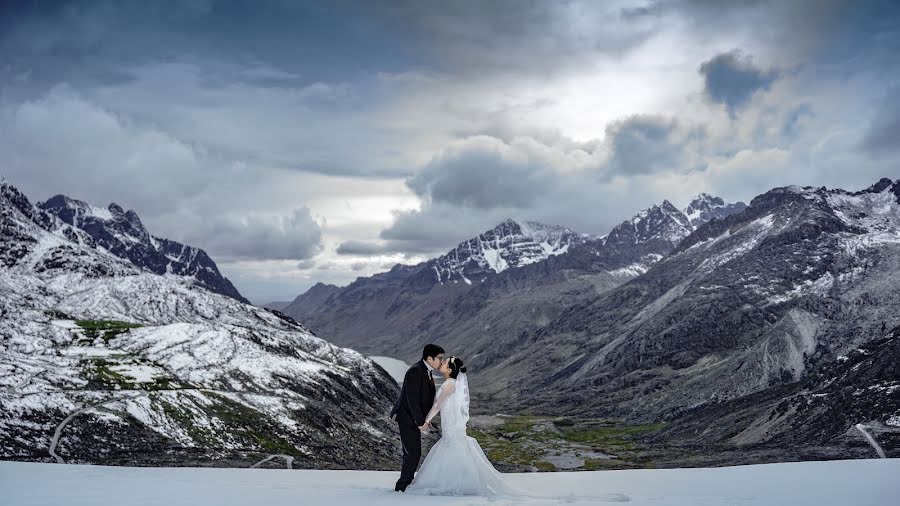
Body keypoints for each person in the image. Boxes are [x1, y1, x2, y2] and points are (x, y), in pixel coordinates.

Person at [405, 356, 522, 497]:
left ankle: (454, 484)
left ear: (449, 370)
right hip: (451, 426)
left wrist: (425, 421)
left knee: (451, 450)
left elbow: (437, 406)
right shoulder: (452, 383)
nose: (441, 363)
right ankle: (458, 481)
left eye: (445, 362)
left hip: (451, 428)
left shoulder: (449, 385)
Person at [390, 343, 444, 492]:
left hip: (413, 417)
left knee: (412, 452)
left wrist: (426, 419)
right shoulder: (415, 371)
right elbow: (412, 400)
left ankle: (406, 484)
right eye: (439, 358)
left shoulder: (426, 371)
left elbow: (423, 399)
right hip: (407, 418)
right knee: (412, 453)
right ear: (429, 358)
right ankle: (401, 488)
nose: (441, 361)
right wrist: (420, 422)